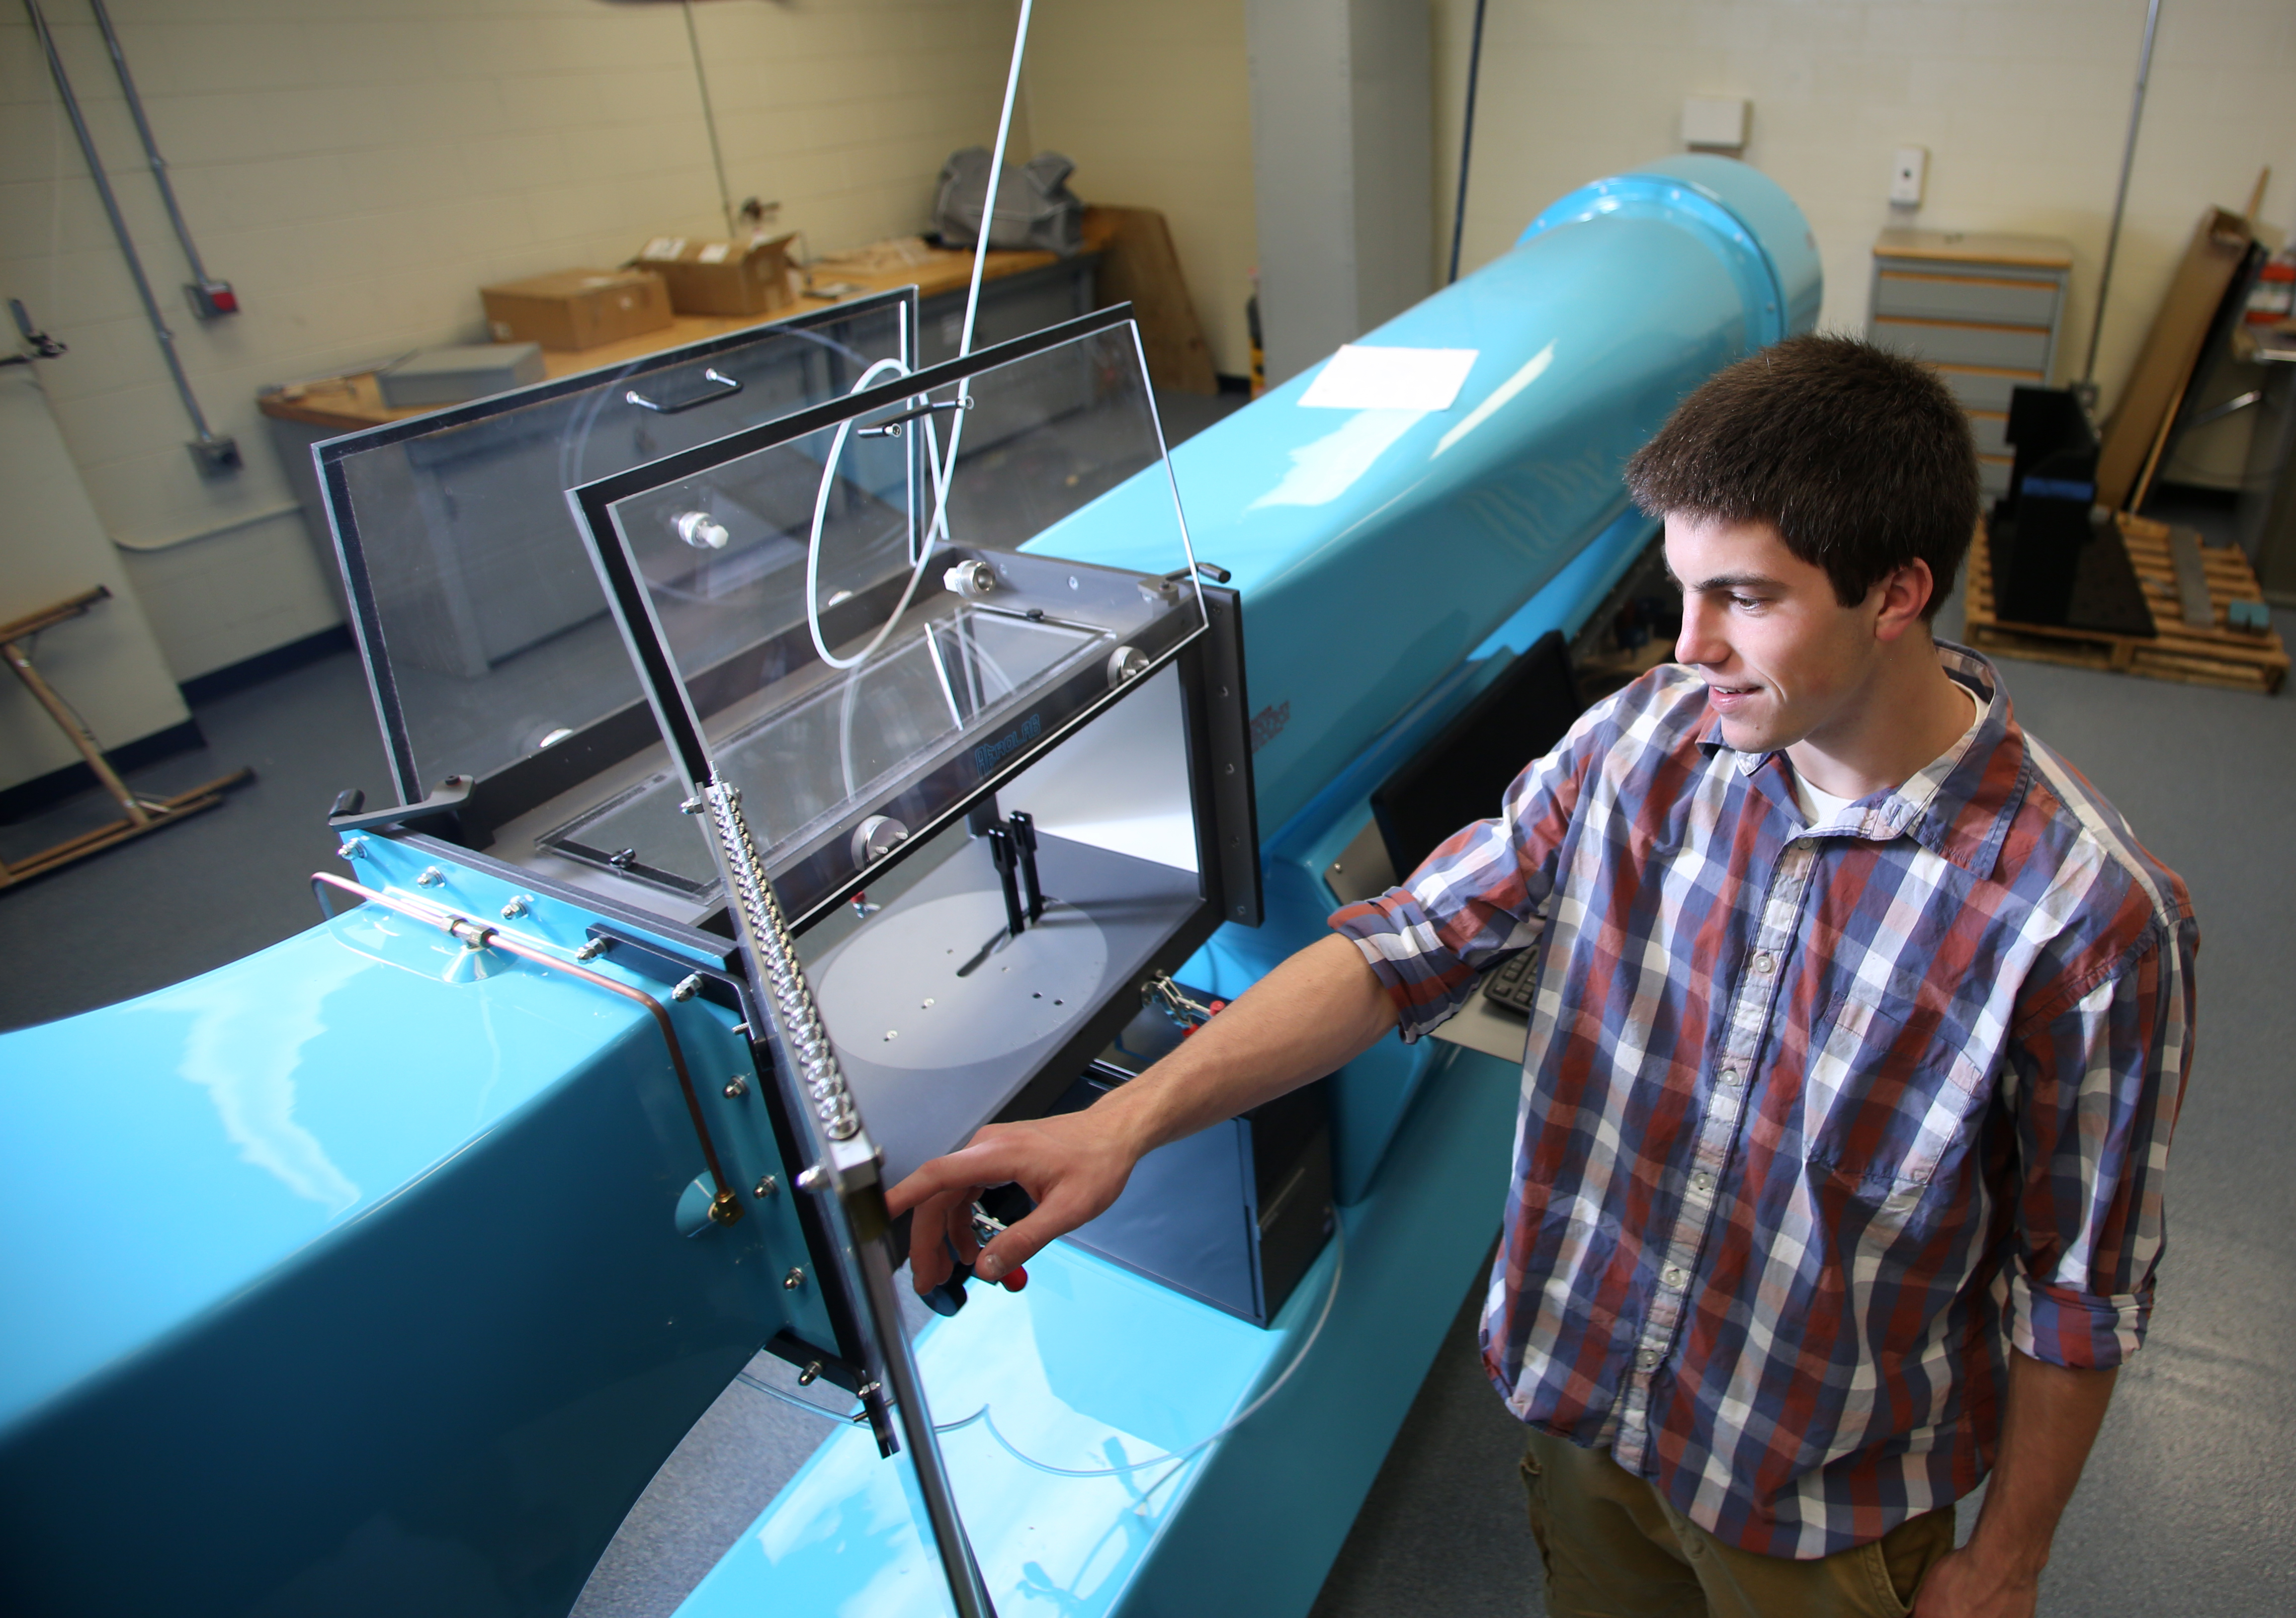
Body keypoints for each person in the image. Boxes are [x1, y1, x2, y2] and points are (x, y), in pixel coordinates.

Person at [890, 335, 2197, 1618]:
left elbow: (2080, 1285)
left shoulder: (2080, 921)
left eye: (1745, 598)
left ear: (1898, 594)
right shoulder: (1644, 743)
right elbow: (1401, 945)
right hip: (1592, 1426)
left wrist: (2009, 1561)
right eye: (1681, 591)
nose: (1690, 648)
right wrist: (1121, 1122)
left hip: (1818, 1511)